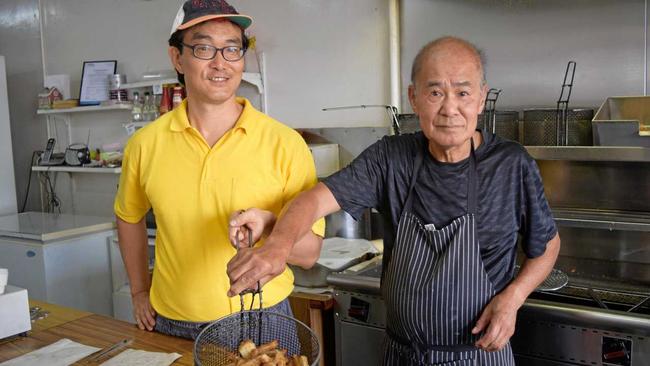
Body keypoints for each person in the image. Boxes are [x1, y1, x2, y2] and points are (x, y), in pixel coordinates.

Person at [227, 36, 560, 365]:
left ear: (481, 98)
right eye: (435, 92)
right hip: (402, 355)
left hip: (477, 356)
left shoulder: (511, 165)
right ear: (413, 98)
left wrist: (512, 299)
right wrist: (276, 248)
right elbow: (311, 202)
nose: (449, 108)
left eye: (462, 92)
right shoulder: (391, 158)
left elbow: (547, 246)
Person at [114, 0, 324, 339]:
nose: (220, 63)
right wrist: (139, 290)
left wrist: (269, 229)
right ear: (177, 58)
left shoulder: (284, 143)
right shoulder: (145, 144)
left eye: (232, 49)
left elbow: (310, 254)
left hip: (263, 319)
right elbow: (128, 216)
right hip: (171, 321)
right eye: (203, 48)